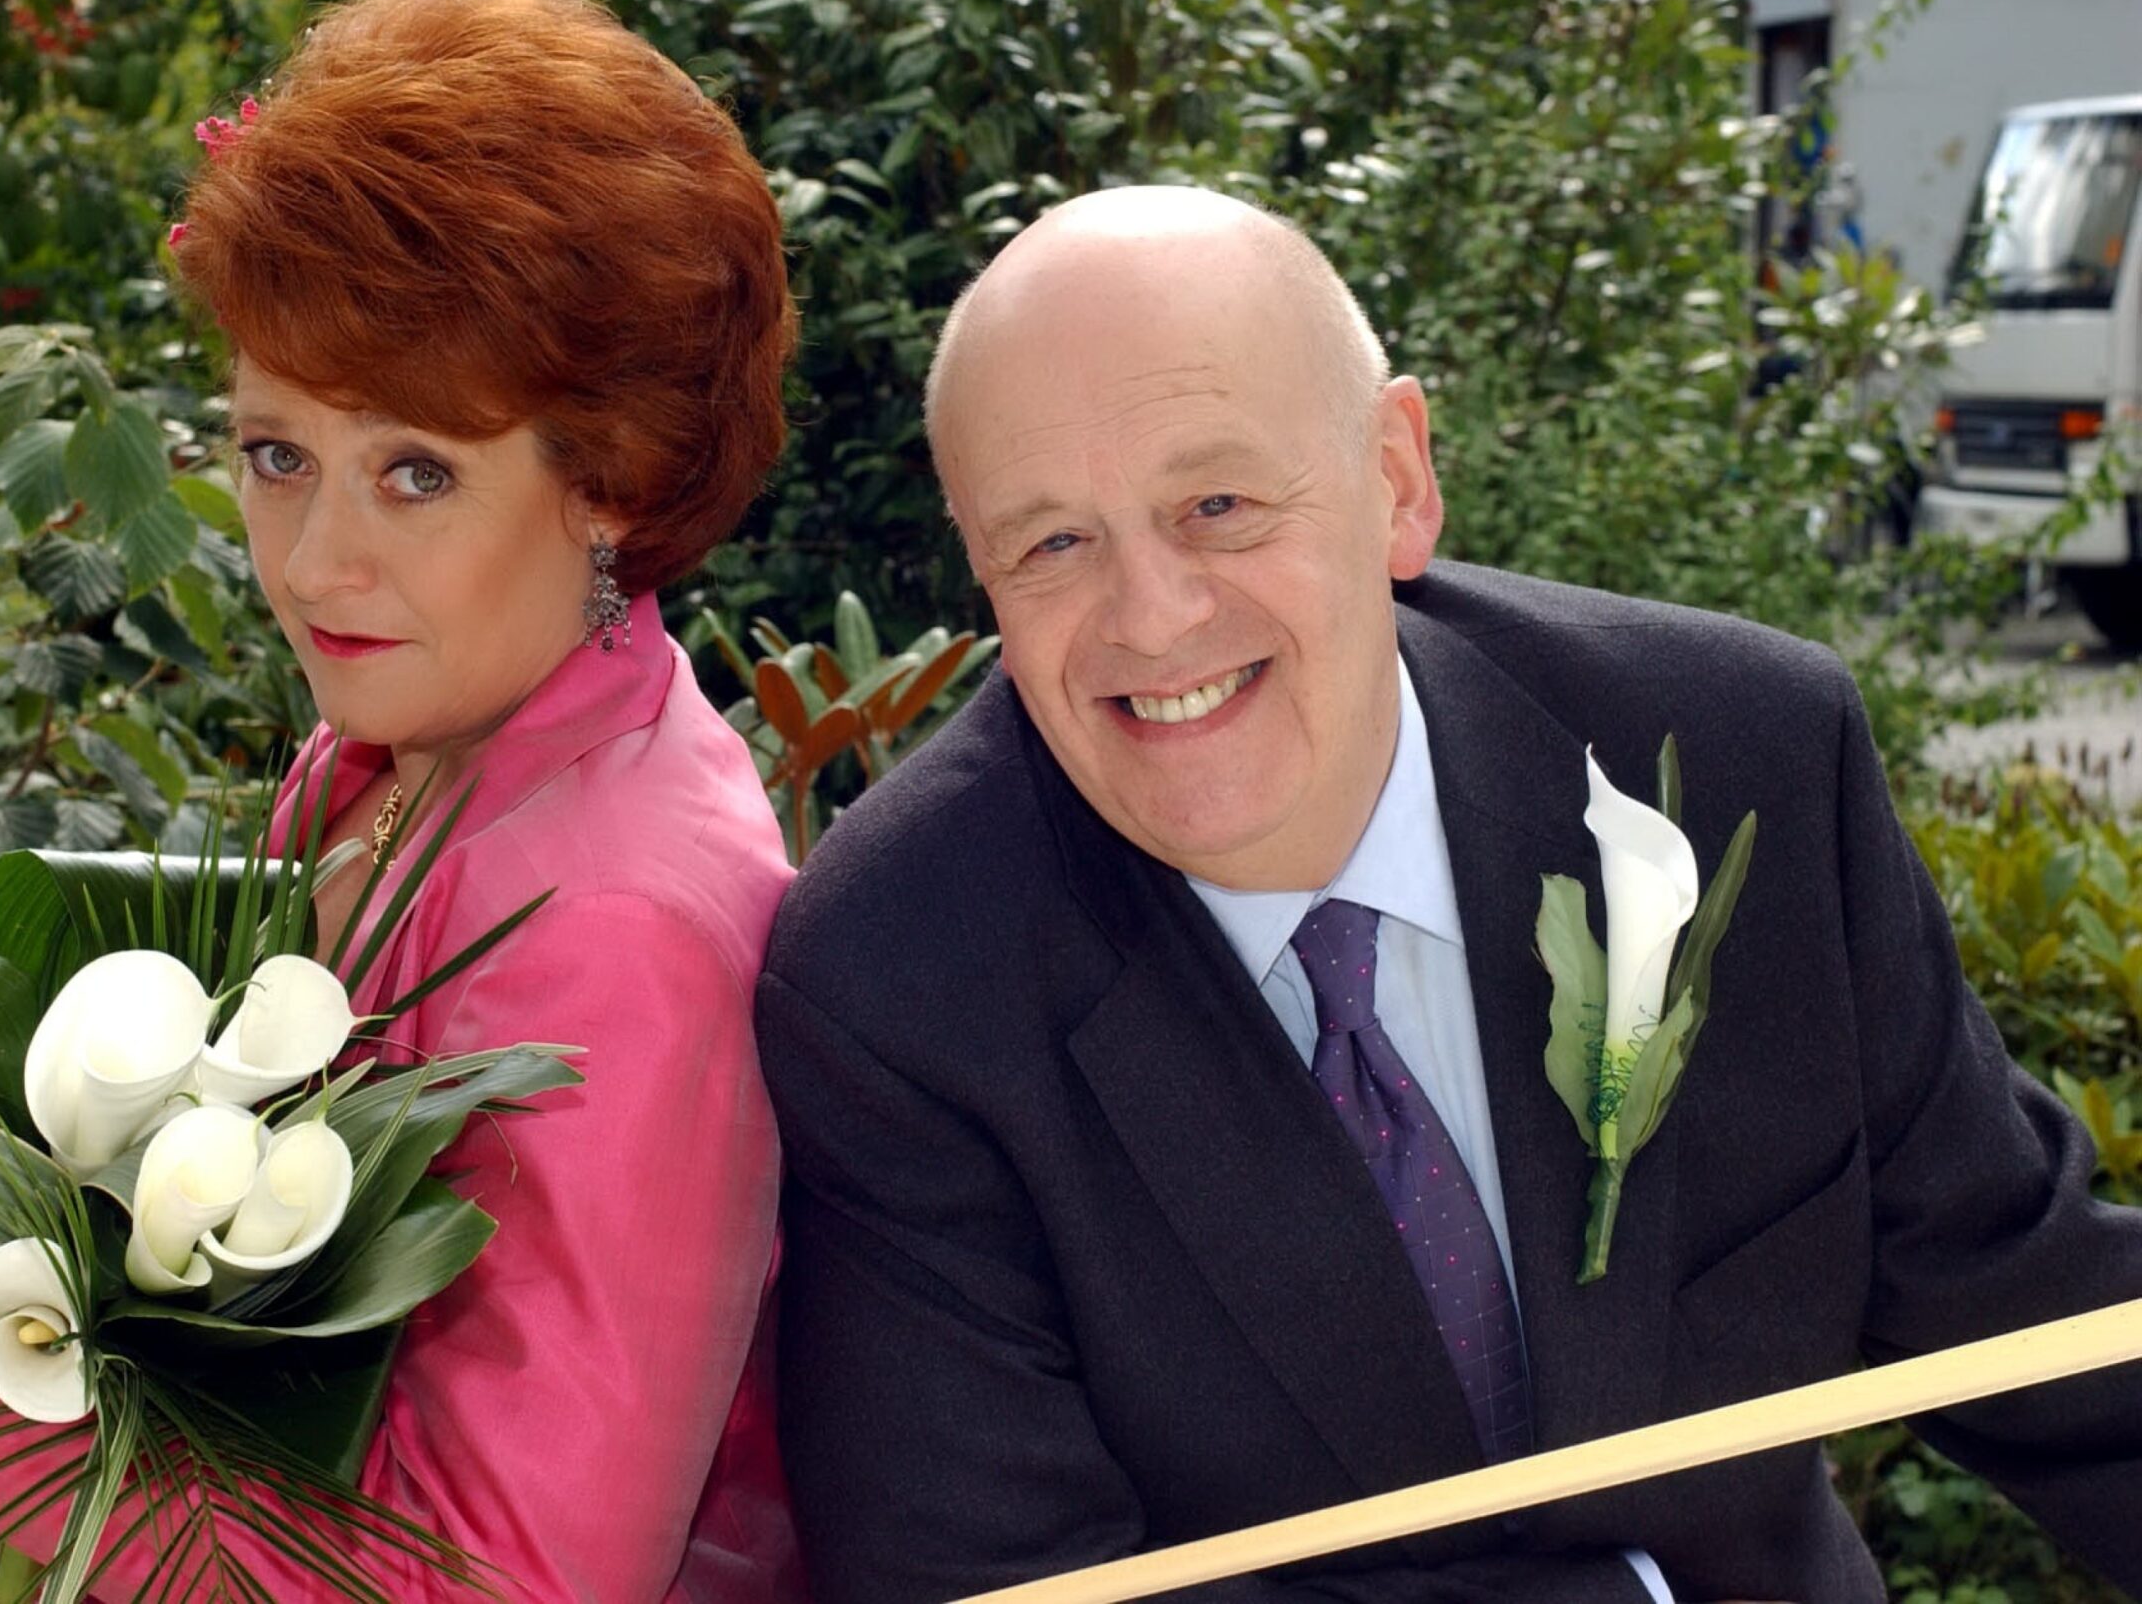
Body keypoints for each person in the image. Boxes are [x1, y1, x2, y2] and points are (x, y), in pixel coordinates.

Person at [754, 185, 2142, 1603]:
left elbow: (2035, 1311)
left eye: (1217, 504)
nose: (1152, 616)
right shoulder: (896, 981)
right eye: (1051, 544)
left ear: (1398, 477)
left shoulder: (1735, 765)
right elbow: (993, 1583)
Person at [0, 0, 805, 1603]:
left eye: (418, 470)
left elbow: (515, 1585)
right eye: (276, 456)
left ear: (609, 479)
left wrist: (17, 1429)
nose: (317, 564)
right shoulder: (396, 754)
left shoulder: (614, 925)